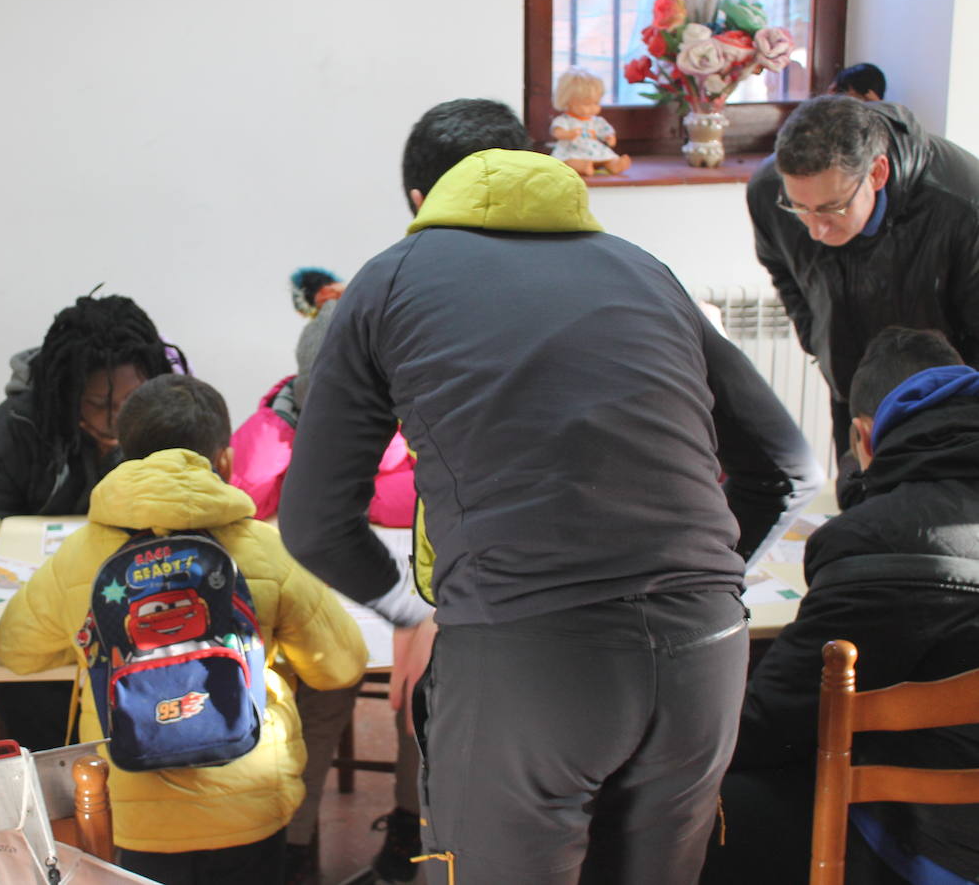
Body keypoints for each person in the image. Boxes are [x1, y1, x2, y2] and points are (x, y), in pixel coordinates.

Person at [280, 97, 822, 884]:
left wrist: (411, 609)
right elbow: (789, 466)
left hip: (529, 659)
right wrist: (704, 577)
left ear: (419, 201)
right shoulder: (644, 269)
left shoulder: (390, 280)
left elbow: (316, 524)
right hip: (705, 655)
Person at [0, 373, 367, 885]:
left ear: (121, 455)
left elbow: (18, 651)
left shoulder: (80, 557)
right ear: (226, 462)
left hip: (129, 811)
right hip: (252, 806)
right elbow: (341, 666)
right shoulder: (265, 549)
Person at [702, 326, 979, 885]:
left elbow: (769, 725)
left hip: (937, 845)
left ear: (862, 438)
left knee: (704, 800)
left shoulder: (875, 538)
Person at [229, 267, 425, 885]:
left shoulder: (413, 427)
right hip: (320, 617)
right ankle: (293, 843)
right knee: (314, 696)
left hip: (406, 616)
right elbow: (242, 504)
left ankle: (409, 829)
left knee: (421, 699)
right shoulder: (274, 432)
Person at [0, 293, 186, 751]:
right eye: (98, 404)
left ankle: (151, 793)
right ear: (65, 395)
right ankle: (62, 804)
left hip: (150, 601)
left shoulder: (171, 420)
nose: (118, 417)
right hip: (49, 610)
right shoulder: (16, 430)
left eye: (131, 400)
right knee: (24, 684)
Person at [746, 94, 979, 484]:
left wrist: (952, 408)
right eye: (799, 208)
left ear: (877, 174)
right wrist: (817, 340)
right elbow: (781, 268)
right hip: (850, 385)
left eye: (832, 208)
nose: (816, 230)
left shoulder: (963, 206)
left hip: (946, 402)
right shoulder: (769, 191)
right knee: (857, 510)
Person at [549, 66, 631, 177]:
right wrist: (567, 134)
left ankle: (614, 164)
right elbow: (557, 132)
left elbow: (605, 131)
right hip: (572, 150)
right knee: (567, 162)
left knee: (607, 157)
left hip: (593, 150)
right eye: (587, 104)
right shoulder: (565, 120)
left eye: (596, 103)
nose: (593, 108)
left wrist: (609, 137)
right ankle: (583, 167)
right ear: (567, 101)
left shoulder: (597, 121)